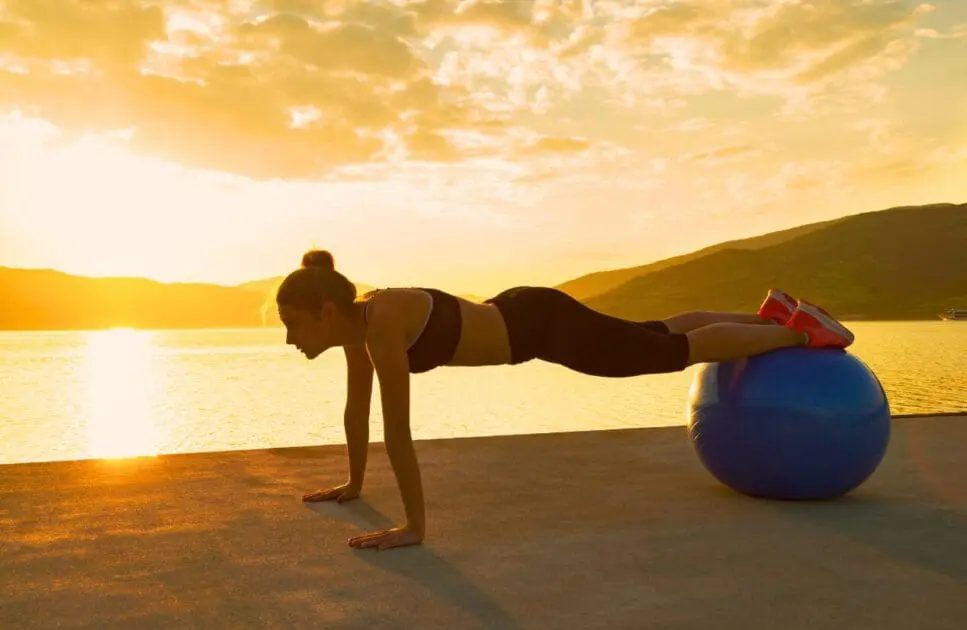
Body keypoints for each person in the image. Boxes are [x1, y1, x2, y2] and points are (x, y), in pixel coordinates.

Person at [276, 249, 854, 551]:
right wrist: (353, 485)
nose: (288, 338)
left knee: (670, 351)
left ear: (326, 312)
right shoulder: (361, 327)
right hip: (527, 312)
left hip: (540, 327)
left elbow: (396, 431)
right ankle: (769, 314)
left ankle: (803, 333)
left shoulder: (382, 323)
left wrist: (413, 527)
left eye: (293, 324)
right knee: (654, 332)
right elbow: (357, 412)